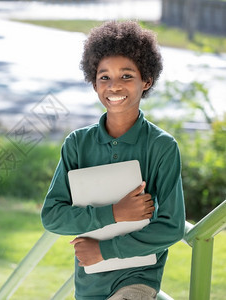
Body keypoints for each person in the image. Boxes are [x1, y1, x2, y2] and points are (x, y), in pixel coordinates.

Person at [41, 21, 185, 300]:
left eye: (127, 76)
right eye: (104, 77)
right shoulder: (77, 144)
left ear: (146, 81)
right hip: (88, 284)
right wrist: (115, 213)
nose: (114, 85)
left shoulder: (162, 146)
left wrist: (103, 250)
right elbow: (52, 216)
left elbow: (171, 227)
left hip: (137, 281)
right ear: (94, 82)